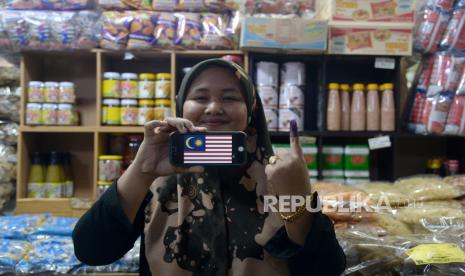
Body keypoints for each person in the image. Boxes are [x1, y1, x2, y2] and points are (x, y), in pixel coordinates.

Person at [72, 59, 346, 276]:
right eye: (200, 98)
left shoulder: (281, 176)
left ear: (250, 109)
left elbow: (326, 269)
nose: (214, 108)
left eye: (230, 98)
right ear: (181, 104)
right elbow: (92, 251)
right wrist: (141, 170)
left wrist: (295, 203)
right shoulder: (154, 180)